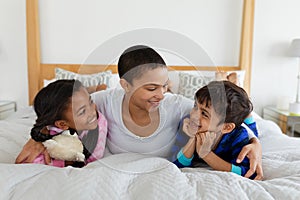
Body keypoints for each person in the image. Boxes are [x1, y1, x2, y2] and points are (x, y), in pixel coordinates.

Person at [15, 45, 263, 179]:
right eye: (152, 88)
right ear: (125, 85)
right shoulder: (101, 102)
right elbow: (61, 110)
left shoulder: (176, 104)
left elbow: (231, 114)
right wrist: (38, 138)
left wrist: (254, 141)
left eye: (164, 85)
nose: (161, 94)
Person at [172, 81, 258, 178]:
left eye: (204, 114)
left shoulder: (238, 136)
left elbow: (248, 172)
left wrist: (206, 154)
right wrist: (192, 138)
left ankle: (248, 115)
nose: (194, 115)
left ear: (226, 127)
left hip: (240, 128)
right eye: (195, 106)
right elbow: (177, 164)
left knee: (252, 129)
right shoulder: (188, 124)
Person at [20, 79, 107, 167]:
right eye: (82, 112)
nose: (92, 111)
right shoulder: (52, 132)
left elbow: (94, 158)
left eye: (91, 102)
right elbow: (26, 162)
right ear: (62, 124)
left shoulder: (99, 123)